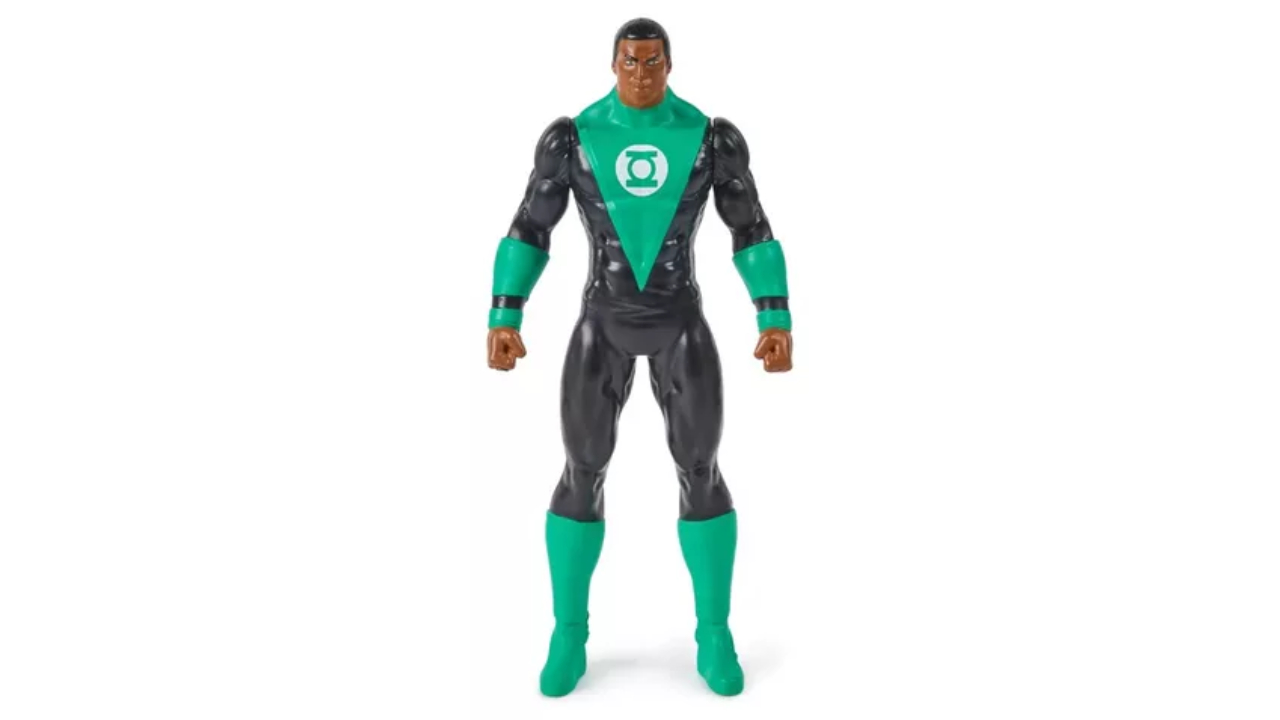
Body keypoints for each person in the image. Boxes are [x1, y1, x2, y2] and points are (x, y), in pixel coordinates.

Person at [485, 17, 793, 697]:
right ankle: (569, 632)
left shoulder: (710, 139)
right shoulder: (574, 138)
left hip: (680, 322)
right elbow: (531, 225)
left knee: (701, 469)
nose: (642, 73)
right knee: (581, 470)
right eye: (631, 62)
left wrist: (773, 315)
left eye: (653, 62)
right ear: (613, 64)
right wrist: (506, 312)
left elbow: (751, 226)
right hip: (603, 323)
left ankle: (714, 632)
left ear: (670, 66)